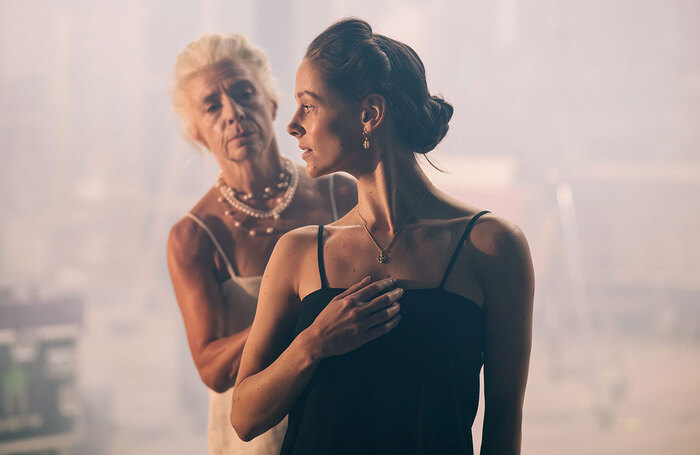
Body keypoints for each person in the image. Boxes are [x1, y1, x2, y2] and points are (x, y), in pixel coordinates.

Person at [230, 18, 534, 455]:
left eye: (309, 105)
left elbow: (504, 423)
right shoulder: (298, 252)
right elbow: (243, 418)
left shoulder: (492, 247)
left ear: (369, 114)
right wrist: (313, 344)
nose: (293, 125)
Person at [166, 33, 356, 455]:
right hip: (257, 434)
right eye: (212, 106)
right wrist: (299, 323)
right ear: (197, 132)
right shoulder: (195, 236)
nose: (233, 113)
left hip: (342, 412)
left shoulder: (339, 195)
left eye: (243, 93)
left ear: (271, 104)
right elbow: (212, 369)